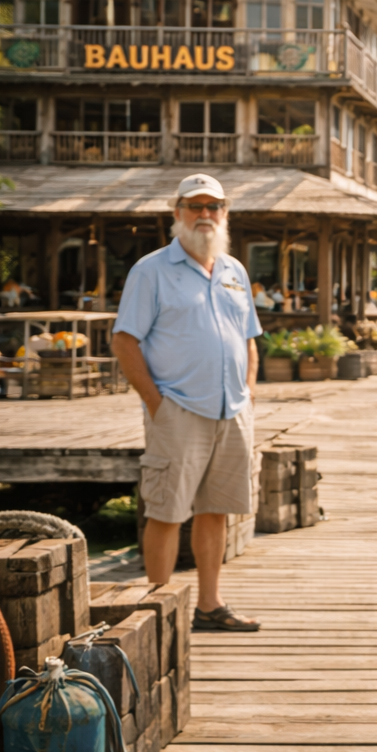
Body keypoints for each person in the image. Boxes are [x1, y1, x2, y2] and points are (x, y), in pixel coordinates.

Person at [111, 174, 263, 632]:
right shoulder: (151, 270)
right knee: (165, 512)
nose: (205, 215)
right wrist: (157, 405)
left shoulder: (235, 270)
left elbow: (250, 340)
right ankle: (159, 615)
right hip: (177, 409)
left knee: (215, 509)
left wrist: (249, 393)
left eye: (213, 206)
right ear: (176, 213)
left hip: (231, 410)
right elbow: (124, 340)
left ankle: (209, 605)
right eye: (194, 206)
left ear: (225, 213)